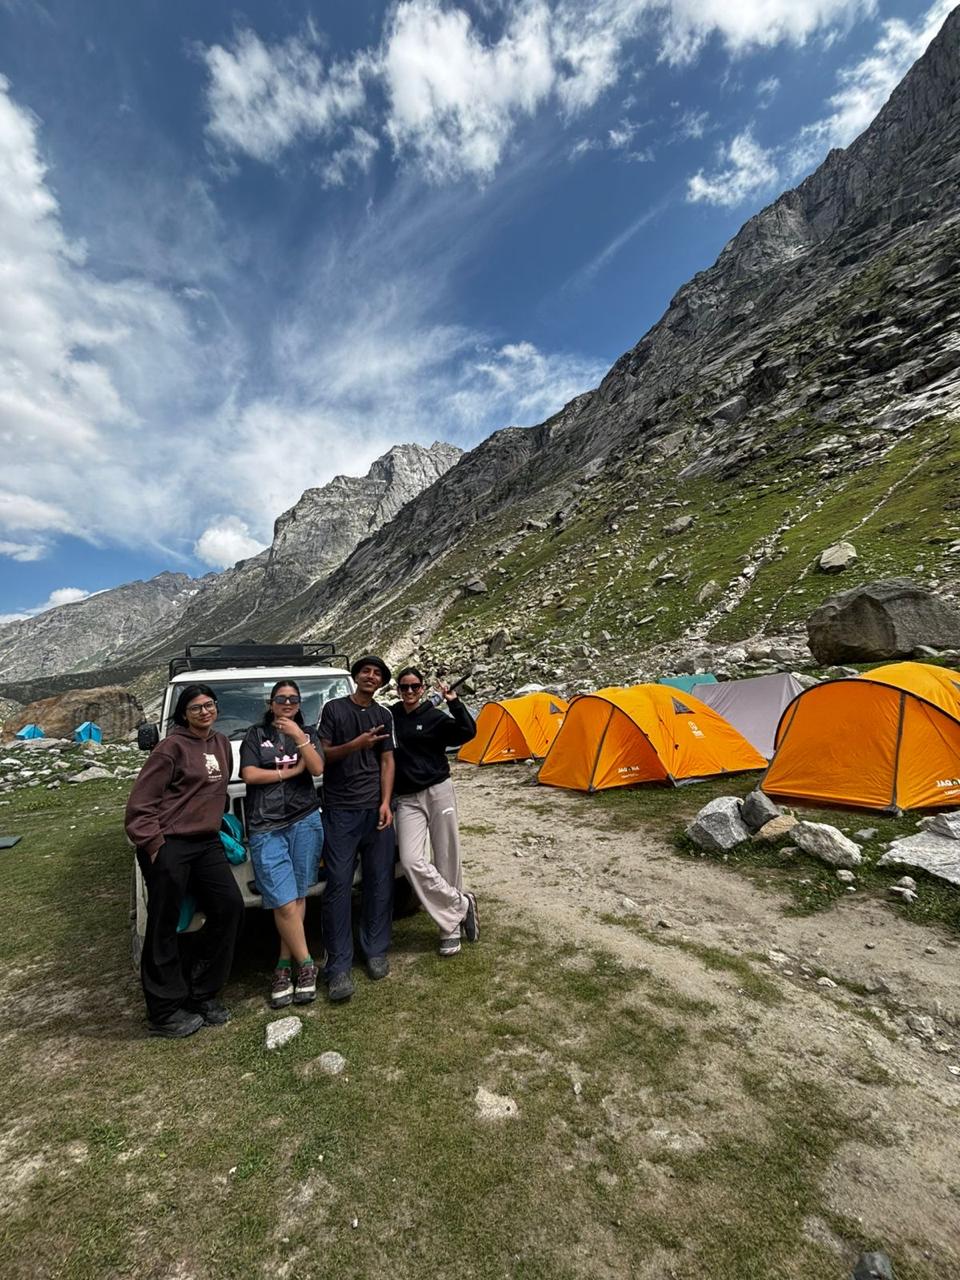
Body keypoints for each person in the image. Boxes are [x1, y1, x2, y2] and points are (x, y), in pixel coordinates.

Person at [125, 684, 243, 1038]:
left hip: (207, 843)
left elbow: (217, 793)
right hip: (170, 844)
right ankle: (163, 1011)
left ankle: (201, 992)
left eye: (210, 705)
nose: (205, 712)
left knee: (229, 908)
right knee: (165, 926)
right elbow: (140, 806)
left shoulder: (221, 743)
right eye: (196, 708)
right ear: (184, 713)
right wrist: (156, 846)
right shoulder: (170, 748)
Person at [239, 680, 325, 1009]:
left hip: (304, 819)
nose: (287, 703)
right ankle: (306, 965)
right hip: (266, 825)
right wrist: (289, 774)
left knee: (298, 894)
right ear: (270, 702)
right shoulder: (255, 735)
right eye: (281, 699)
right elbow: (248, 774)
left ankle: (283, 964)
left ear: (300, 703)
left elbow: (317, 768)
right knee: (283, 900)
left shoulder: (308, 733)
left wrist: (299, 737)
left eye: (293, 699)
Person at [318, 654, 396, 1002]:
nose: (371, 676)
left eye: (377, 673)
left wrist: (385, 801)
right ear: (356, 676)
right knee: (337, 886)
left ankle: (375, 950)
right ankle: (338, 967)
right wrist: (355, 745)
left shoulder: (383, 715)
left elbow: (387, 759)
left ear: (381, 682)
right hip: (340, 810)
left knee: (380, 880)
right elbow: (323, 757)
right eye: (366, 670)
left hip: (374, 810)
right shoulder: (334, 710)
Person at [390, 668, 479, 957]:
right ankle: (460, 905)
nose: (410, 691)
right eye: (404, 687)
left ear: (422, 687)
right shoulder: (391, 717)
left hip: (438, 790)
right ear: (398, 689)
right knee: (411, 859)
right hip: (406, 798)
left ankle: (448, 928)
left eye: (415, 686)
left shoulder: (435, 717)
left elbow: (467, 732)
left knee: (446, 855)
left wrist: (454, 701)